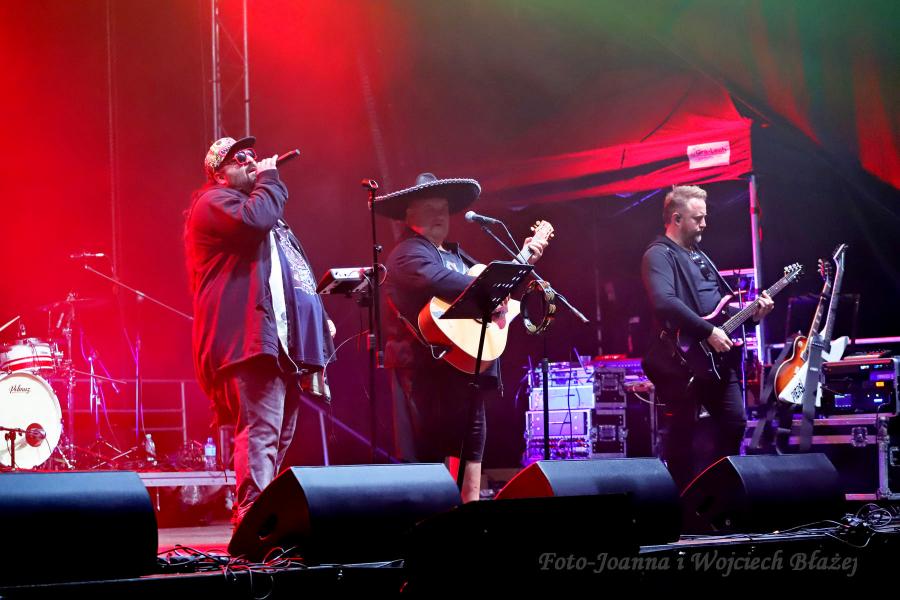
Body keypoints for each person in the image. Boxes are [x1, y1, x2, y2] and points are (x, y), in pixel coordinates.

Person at [184, 136, 335, 525]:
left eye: (253, 154)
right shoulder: (214, 203)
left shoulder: (262, 211)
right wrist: (269, 179)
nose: (251, 160)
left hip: (281, 344)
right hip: (247, 340)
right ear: (220, 175)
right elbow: (256, 220)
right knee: (261, 433)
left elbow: (292, 273)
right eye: (240, 158)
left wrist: (316, 320)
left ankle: (260, 519)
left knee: (279, 436)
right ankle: (253, 522)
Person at [377, 173, 547, 502]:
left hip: (465, 368)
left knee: (471, 445)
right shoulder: (407, 252)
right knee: (434, 450)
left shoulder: (459, 255)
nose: (439, 215)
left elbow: (491, 291)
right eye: (429, 208)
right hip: (426, 371)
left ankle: (469, 510)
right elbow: (442, 280)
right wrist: (498, 281)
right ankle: (434, 515)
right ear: (409, 214)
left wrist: (522, 264)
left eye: (443, 208)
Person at [641, 185, 773, 489]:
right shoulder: (658, 255)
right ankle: (683, 500)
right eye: (697, 218)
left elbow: (717, 309)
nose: (704, 224)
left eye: (704, 217)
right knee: (682, 434)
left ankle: (718, 492)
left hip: (715, 361)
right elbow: (664, 302)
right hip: (682, 360)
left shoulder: (699, 256)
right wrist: (709, 331)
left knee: (734, 423)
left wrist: (753, 315)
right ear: (677, 218)